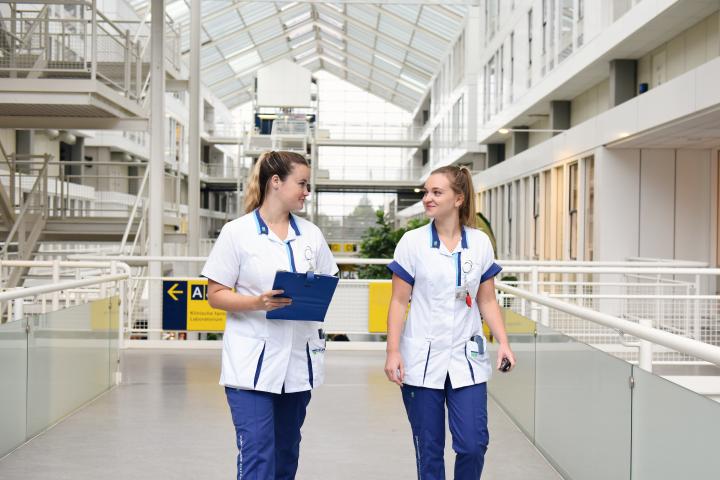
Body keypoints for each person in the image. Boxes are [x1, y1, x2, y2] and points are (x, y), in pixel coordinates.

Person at [202, 150, 338, 480]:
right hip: (251, 365)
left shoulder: (311, 235)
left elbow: (327, 283)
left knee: (286, 451)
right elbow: (215, 295)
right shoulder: (237, 233)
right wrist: (256, 303)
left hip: (296, 362)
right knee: (258, 452)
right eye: (302, 184)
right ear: (276, 182)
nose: (307, 192)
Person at [384, 165, 516, 480]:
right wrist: (392, 351)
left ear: (458, 198)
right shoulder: (412, 242)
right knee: (429, 450)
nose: (428, 198)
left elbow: (487, 299)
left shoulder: (479, 242)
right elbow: (399, 301)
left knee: (473, 444)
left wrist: (504, 343)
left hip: (466, 358)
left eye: (436, 192)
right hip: (421, 359)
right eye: (426, 192)